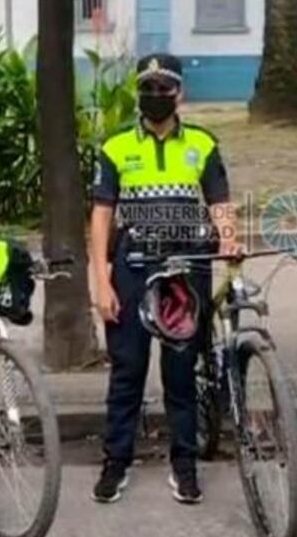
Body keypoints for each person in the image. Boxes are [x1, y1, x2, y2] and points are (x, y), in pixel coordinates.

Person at [89, 53, 241, 505]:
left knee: (180, 372)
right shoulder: (115, 146)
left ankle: (185, 464)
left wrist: (229, 239)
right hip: (132, 267)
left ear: (180, 94)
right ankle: (116, 461)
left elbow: (219, 200)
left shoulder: (202, 143)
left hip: (186, 268)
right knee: (127, 371)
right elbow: (101, 215)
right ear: (138, 93)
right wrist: (101, 278)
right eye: (148, 88)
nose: (156, 96)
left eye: (165, 88)